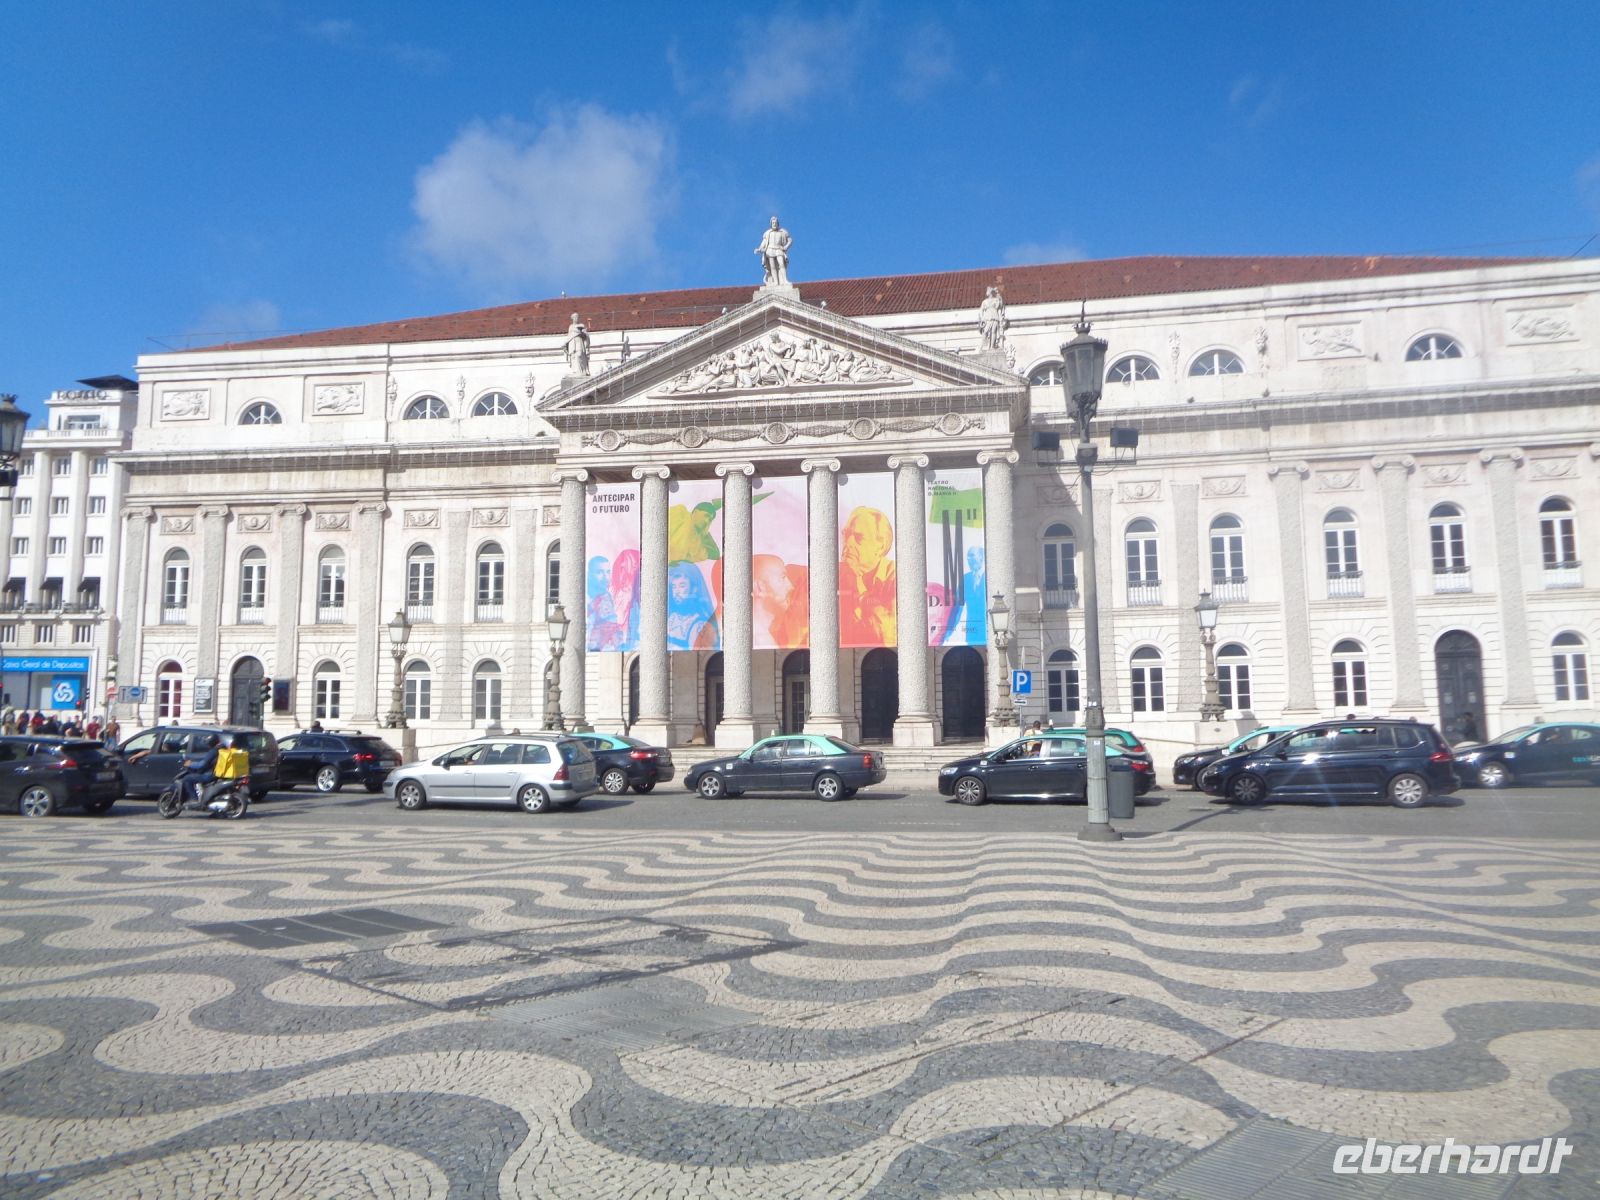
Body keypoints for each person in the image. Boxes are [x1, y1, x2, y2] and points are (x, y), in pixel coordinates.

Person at [839, 506, 897, 647]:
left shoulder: (896, 577)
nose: (848, 543)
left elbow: (885, 635)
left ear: (881, 545)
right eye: (846, 535)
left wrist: (861, 592)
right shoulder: (833, 574)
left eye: (859, 538)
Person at [754, 215, 792, 287]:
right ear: (771, 224)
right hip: (769, 250)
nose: (774, 224)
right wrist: (759, 249)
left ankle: (784, 280)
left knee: (781, 264)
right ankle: (776, 282)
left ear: (778, 223)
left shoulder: (782, 232)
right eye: (773, 223)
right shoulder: (768, 233)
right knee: (772, 267)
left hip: (779, 249)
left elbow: (790, 240)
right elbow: (764, 243)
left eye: (775, 223)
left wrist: (786, 246)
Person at [978, 285, 1007, 351]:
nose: (986, 292)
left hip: (995, 316)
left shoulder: (996, 300)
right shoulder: (984, 301)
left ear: (990, 292)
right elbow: (981, 310)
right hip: (987, 318)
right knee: (985, 332)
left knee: (994, 332)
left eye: (987, 291)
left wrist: (998, 294)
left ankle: (992, 347)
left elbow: (1001, 305)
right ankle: (983, 346)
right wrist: (982, 318)